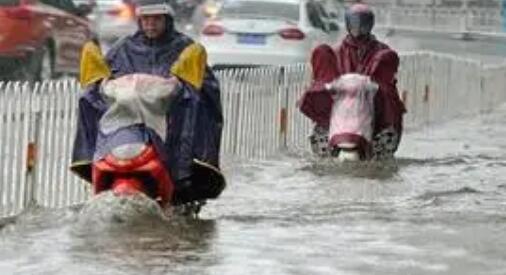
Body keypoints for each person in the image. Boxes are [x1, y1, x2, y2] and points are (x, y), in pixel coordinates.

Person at [70, 0, 225, 205]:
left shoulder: (185, 48)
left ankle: (182, 178)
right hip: (129, 127)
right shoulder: (123, 48)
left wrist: (180, 91)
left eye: (156, 20)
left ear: (167, 20)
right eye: (146, 20)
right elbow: (101, 83)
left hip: (169, 125)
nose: (150, 25)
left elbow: (204, 89)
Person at [299, 3, 406, 160]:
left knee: (386, 140)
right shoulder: (337, 52)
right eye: (355, 23)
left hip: (374, 111)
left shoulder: (382, 52)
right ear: (348, 24)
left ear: (370, 24)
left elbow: (388, 85)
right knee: (320, 135)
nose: (358, 28)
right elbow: (324, 80)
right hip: (340, 112)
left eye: (363, 24)